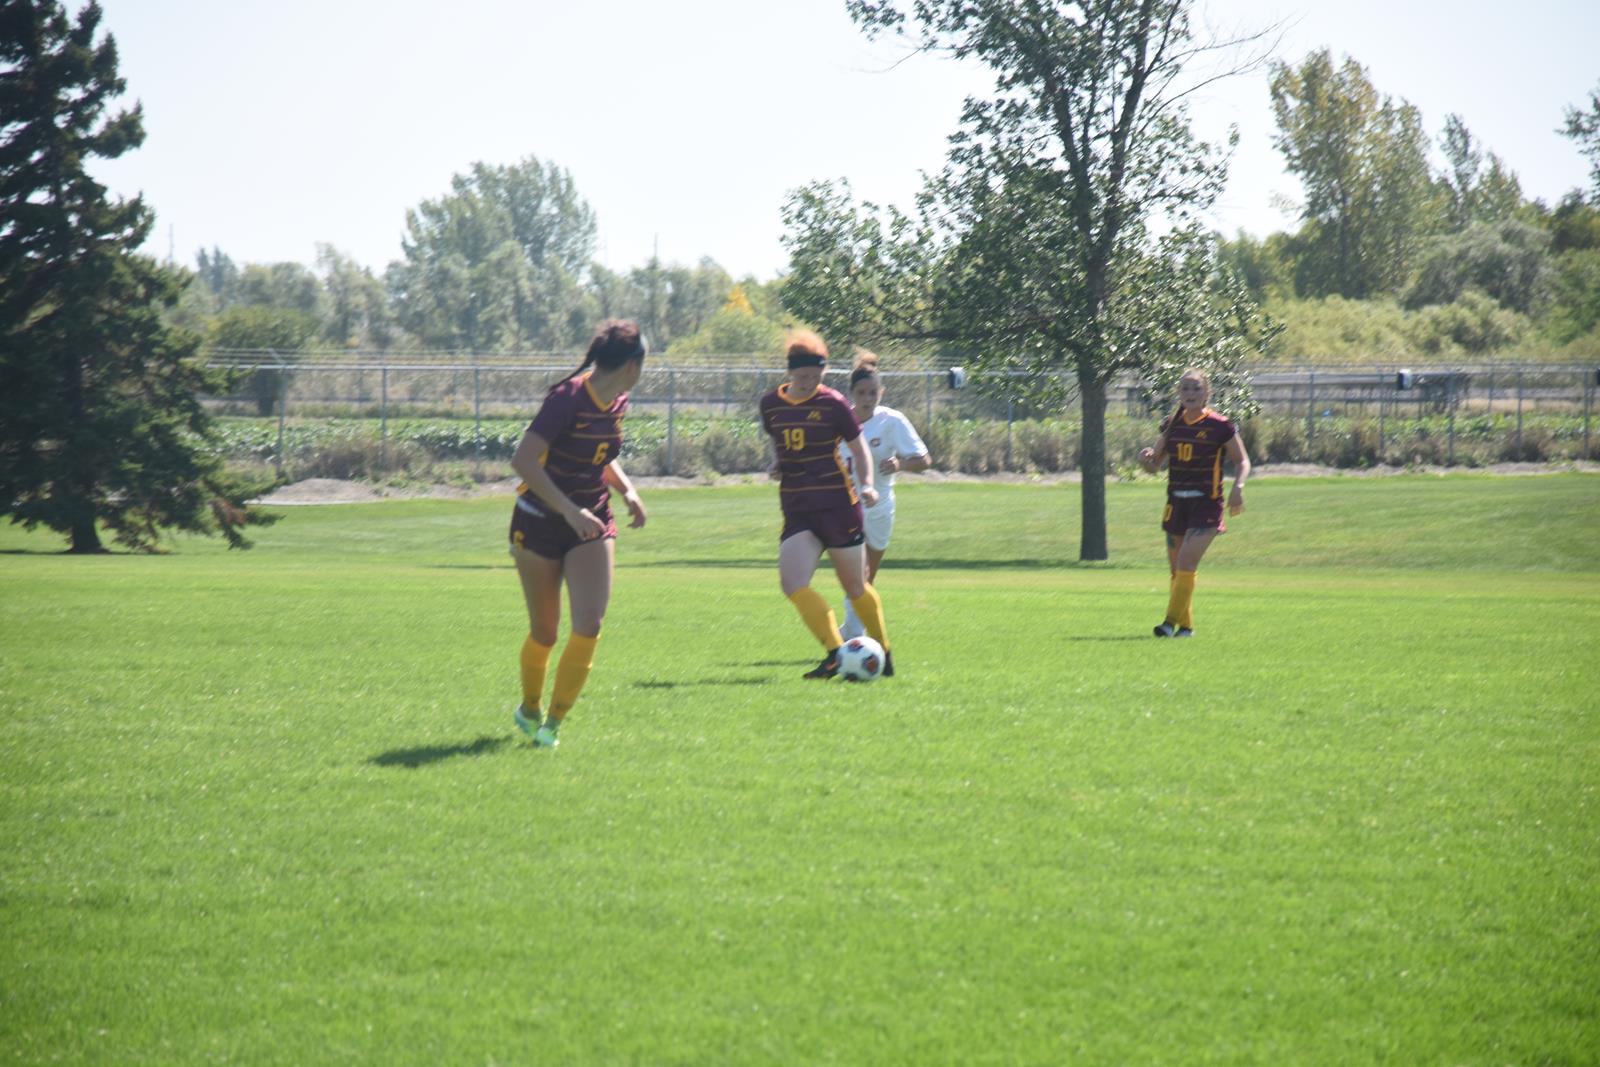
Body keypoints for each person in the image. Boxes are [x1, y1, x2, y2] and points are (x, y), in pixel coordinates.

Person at [507, 319, 649, 748]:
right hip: (539, 520)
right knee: (545, 632)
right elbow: (524, 461)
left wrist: (627, 490)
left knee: (589, 623)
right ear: (631, 365)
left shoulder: (618, 402)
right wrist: (569, 510)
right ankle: (530, 707)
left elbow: (600, 457)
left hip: (592, 521)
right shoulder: (567, 399)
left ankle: (553, 723)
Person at [759, 330, 895, 679]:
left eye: (815, 376)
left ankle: (884, 649)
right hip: (797, 507)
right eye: (802, 377)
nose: (808, 383)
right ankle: (836, 653)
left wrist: (866, 484)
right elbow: (777, 441)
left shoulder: (833, 403)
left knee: (855, 586)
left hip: (838, 505)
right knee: (792, 584)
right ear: (790, 373)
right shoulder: (771, 404)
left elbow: (860, 447)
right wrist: (776, 462)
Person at [1138, 367, 1251, 638]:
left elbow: (1242, 460)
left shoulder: (1220, 425)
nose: (1190, 393)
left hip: (1206, 504)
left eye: (1196, 388)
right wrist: (1145, 461)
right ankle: (1185, 627)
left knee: (1187, 564)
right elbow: (1156, 465)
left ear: (1206, 393)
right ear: (1178, 393)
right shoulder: (1172, 424)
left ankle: (1167, 623)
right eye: (1185, 388)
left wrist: (1238, 487)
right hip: (1175, 503)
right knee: (1177, 570)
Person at [834, 351, 931, 639]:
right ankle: (854, 632)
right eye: (862, 392)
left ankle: (852, 629)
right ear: (851, 393)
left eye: (873, 392)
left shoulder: (892, 421)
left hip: (880, 508)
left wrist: (900, 464)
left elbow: (925, 460)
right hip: (844, 509)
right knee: (855, 575)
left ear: (882, 392)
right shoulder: (838, 421)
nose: (867, 398)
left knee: (867, 576)